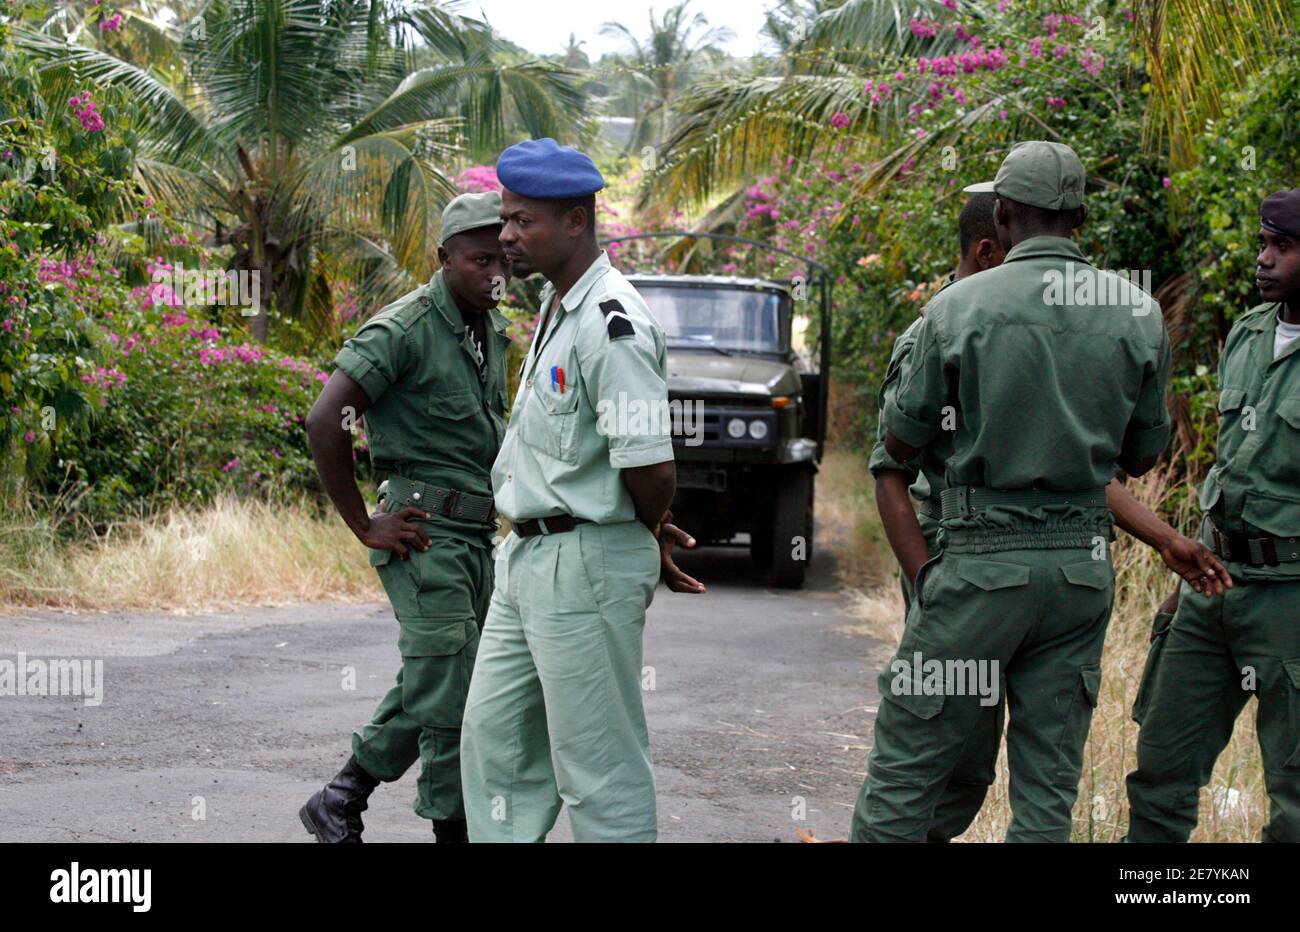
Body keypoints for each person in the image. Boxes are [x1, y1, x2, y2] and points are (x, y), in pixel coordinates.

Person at [851, 141, 1172, 842]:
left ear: (1002, 212)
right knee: (1046, 795)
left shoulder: (955, 310)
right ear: (1082, 217)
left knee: (907, 773)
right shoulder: (1138, 314)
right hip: (1080, 574)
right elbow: (1144, 455)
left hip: (978, 568)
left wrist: (927, 579)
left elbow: (896, 453)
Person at [459, 138, 703, 843]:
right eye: (504, 220)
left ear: (575, 221)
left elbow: (651, 468)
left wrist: (646, 530)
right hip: (528, 558)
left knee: (598, 767)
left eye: (522, 222)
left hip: (585, 562)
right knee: (496, 745)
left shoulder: (611, 323)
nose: (506, 237)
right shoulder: (559, 310)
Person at [299, 192, 511, 843]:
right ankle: (451, 832)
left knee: (452, 679)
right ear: (443, 258)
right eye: (479, 260)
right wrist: (365, 523)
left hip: (477, 538)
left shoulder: (493, 329)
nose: (494, 273)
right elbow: (324, 420)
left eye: (502, 260)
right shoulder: (404, 327)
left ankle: (342, 795)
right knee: (450, 701)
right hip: (423, 535)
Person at [1126, 188, 1300, 843]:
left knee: (1294, 801)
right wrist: (1181, 581)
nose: (1264, 259)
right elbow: (1228, 473)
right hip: (1213, 581)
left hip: (1291, 598)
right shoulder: (1252, 334)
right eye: (1262, 243)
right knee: (1160, 775)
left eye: (1282, 247)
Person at [869, 192, 1007, 842]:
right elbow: (890, 469)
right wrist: (926, 581)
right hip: (953, 562)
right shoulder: (933, 333)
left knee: (977, 755)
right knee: (943, 744)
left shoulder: (1017, 330)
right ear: (987, 250)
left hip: (1017, 565)